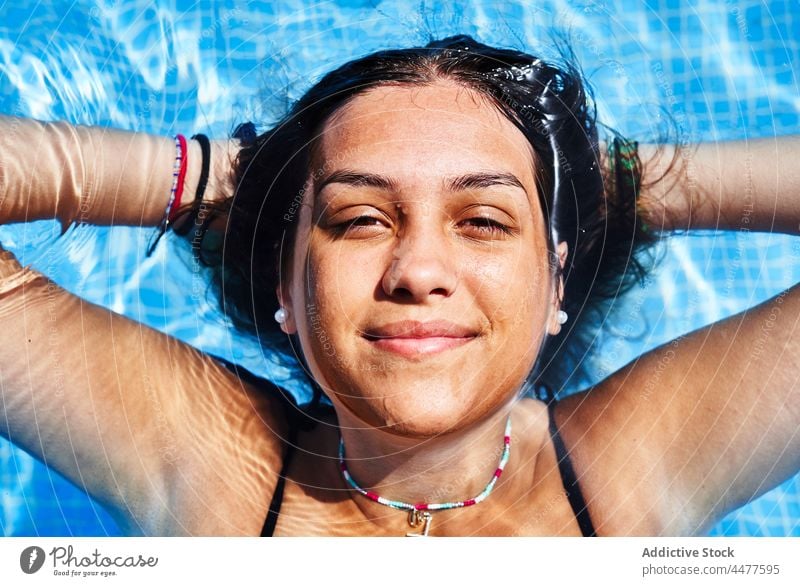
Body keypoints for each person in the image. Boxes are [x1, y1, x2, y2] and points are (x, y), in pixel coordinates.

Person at [0, 35, 797, 536]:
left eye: (484, 220)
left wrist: (608, 188)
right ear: (287, 281)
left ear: (557, 280)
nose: (417, 270)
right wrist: (224, 179)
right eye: (359, 220)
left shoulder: (632, 467)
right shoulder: (209, 466)